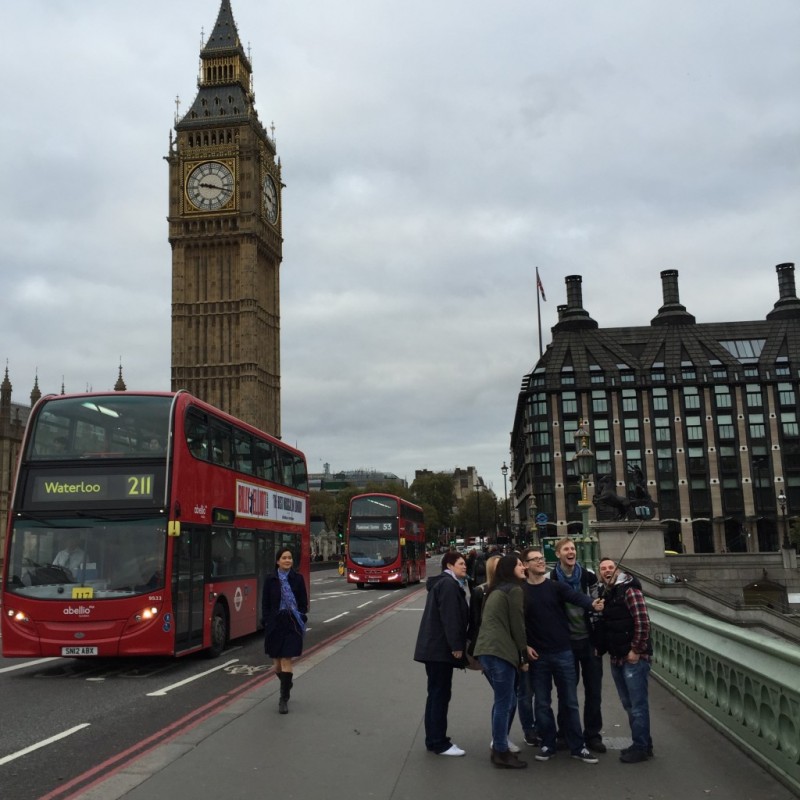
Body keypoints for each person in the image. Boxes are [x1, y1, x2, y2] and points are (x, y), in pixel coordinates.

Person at [519, 547, 604, 765]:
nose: (540, 562)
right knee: (542, 703)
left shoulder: (555, 587)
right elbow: (516, 623)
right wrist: (525, 646)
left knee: (570, 701)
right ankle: (548, 743)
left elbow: (577, 597)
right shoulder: (520, 592)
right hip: (538, 656)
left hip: (563, 651)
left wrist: (593, 604)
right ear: (525, 565)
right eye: (535, 559)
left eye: (541, 558)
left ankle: (578, 746)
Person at [473, 554, 530, 769]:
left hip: (487, 651)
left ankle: (499, 746)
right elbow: (518, 625)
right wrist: (523, 656)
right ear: (509, 569)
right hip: (500, 652)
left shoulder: (495, 590)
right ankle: (500, 751)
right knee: (504, 703)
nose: (523, 567)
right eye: (519, 565)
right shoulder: (514, 590)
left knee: (505, 701)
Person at [549, 537, 606, 752]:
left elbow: (598, 609)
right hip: (565, 644)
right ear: (558, 554)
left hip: (589, 642)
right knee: (566, 691)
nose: (571, 552)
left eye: (573, 548)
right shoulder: (551, 579)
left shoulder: (589, 577)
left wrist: (599, 639)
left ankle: (592, 735)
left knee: (594, 691)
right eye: (566, 549)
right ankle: (565, 733)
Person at [413, 551, 470, 757]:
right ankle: (439, 742)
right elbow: (451, 617)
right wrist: (457, 646)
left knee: (436, 694)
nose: (465, 566)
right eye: (461, 563)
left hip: (433, 649)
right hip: (440, 650)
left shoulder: (443, 583)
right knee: (440, 695)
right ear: (450, 565)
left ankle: (433, 739)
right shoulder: (448, 585)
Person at [597, 557, 654, 763]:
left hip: (632, 658)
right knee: (629, 704)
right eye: (603, 568)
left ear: (618, 570)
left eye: (611, 567)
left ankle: (640, 747)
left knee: (637, 705)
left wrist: (636, 649)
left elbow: (642, 620)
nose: (607, 571)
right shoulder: (607, 593)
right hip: (617, 657)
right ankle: (643, 743)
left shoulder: (630, 590)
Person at [262, 547, 309, 714]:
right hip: (275, 623)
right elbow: (265, 604)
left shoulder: (298, 579)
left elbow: (304, 601)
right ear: (277, 561)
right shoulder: (270, 580)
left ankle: (283, 699)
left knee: (286, 660)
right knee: (277, 665)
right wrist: (267, 621)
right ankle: (287, 682)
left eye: (290, 558)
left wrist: (301, 616)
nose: (288, 560)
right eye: (284, 558)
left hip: (292, 622)